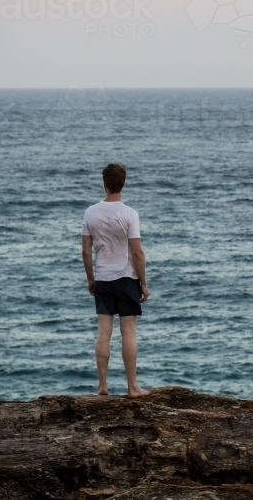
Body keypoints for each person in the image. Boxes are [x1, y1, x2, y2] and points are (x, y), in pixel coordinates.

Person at [81, 163, 150, 397]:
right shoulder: (129, 214)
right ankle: (132, 387)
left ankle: (102, 386)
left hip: (102, 278)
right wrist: (143, 282)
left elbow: (85, 251)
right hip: (126, 278)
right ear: (123, 183)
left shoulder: (90, 212)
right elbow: (137, 252)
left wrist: (91, 278)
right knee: (128, 333)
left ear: (104, 183)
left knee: (103, 333)